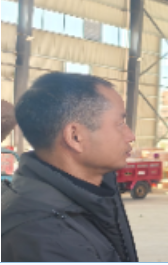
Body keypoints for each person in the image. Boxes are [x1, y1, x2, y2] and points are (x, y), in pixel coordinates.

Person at [1, 73, 138, 261]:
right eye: (120, 123)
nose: (131, 136)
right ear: (75, 137)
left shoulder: (86, 195)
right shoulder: (45, 236)